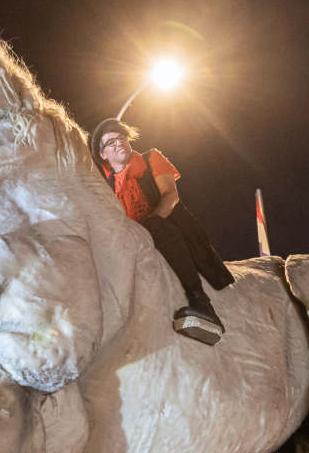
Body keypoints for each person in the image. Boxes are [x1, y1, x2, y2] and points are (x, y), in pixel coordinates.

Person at [90, 119, 235, 344]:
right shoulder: (107, 189)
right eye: (110, 142)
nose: (118, 144)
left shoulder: (150, 158)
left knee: (153, 225)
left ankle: (201, 302)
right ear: (103, 155)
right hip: (137, 244)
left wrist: (150, 224)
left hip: (168, 231)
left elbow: (170, 195)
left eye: (121, 138)